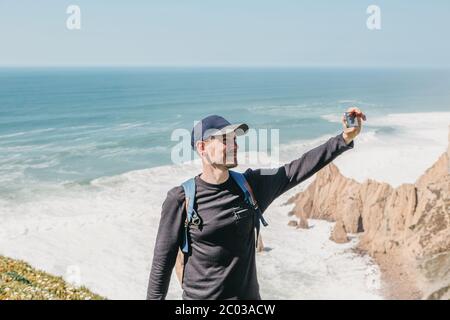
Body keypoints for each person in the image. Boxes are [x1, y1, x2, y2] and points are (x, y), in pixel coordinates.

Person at [147, 107, 366, 300]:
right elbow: (161, 265)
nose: (234, 145)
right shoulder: (181, 200)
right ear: (202, 148)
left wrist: (344, 139)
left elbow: (297, 169)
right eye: (225, 140)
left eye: (234, 139)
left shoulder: (250, 187)